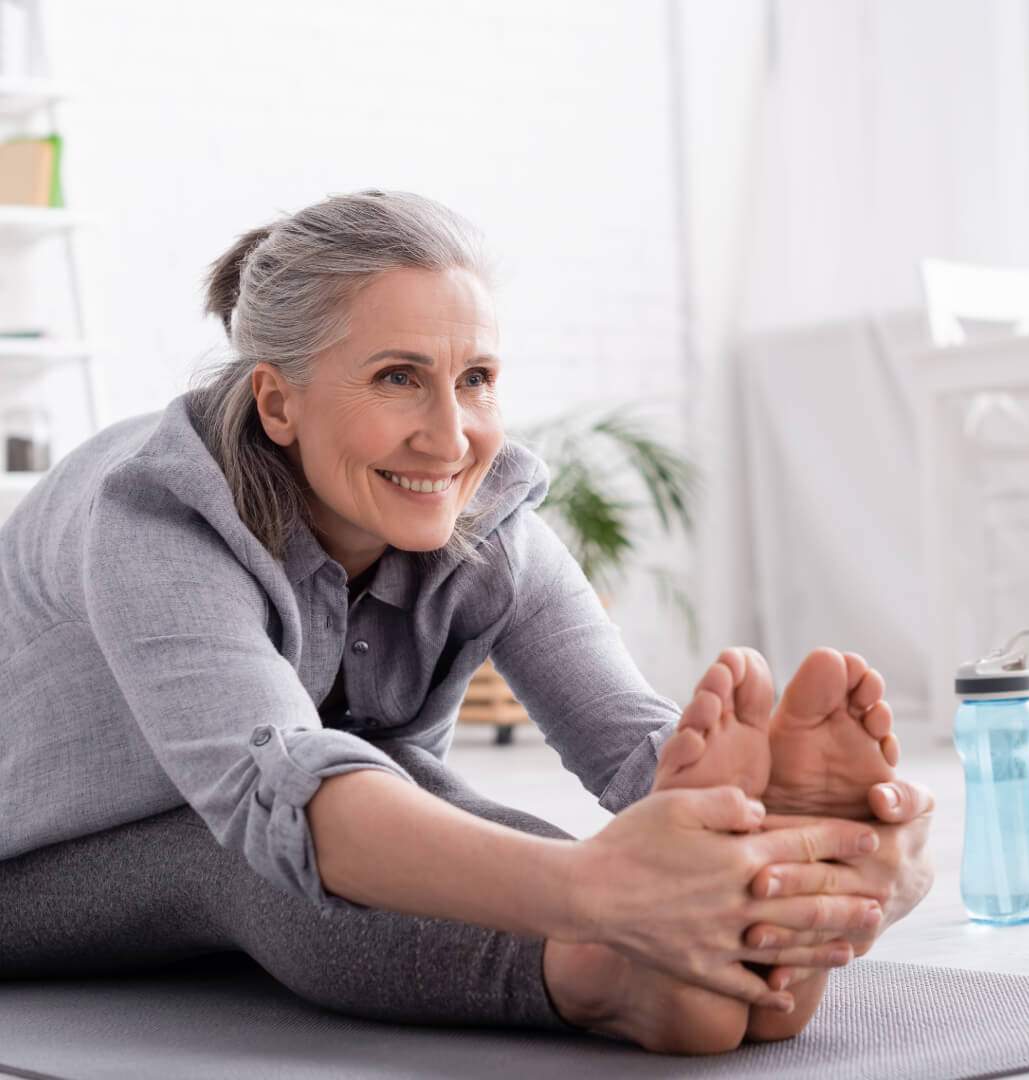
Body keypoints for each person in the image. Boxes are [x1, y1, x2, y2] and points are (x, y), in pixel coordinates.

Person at [0, 190, 934, 1055]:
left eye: (476, 377)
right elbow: (276, 797)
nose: (450, 437)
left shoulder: (484, 520)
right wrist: (598, 894)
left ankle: (748, 947)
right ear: (278, 403)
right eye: (397, 378)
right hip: (32, 873)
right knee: (267, 826)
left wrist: (816, 861)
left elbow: (632, 745)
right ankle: (602, 975)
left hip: (289, 818)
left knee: (416, 794)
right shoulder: (155, 512)